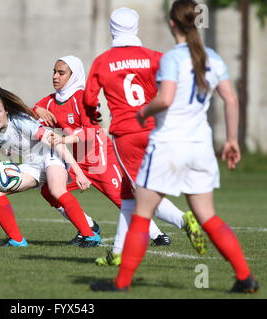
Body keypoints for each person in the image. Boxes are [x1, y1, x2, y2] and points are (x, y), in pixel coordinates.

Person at [91, 0, 259, 293]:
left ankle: (121, 283)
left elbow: (165, 99)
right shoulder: (213, 58)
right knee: (208, 216)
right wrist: (232, 139)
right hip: (200, 147)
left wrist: (143, 113)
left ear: (172, 24)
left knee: (141, 213)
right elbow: (231, 99)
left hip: (168, 145)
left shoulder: (171, 58)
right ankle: (245, 278)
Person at [82, 7, 206, 266]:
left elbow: (88, 99)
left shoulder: (103, 61)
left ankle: (185, 219)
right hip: (155, 130)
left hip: (126, 134)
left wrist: (94, 116)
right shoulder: (154, 57)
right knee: (128, 194)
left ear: (112, 29)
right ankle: (117, 253)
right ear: (136, 28)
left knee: (141, 193)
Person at [33, 55, 185, 248]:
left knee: (123, 199)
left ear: (74, 76)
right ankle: (88, 226)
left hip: (100, 158)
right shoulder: (49, 102)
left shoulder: (83, 97)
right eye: (54, 72)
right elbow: (29, 118)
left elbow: (90, 131)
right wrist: (34, 111)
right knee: (49, 191)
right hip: (77, 160)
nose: (55, 76)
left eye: (61, 73)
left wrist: (63, 139)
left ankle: (157, 235)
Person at [0, 83, 101, 247]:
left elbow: (55, 142)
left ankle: (90, 235)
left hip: (51, 156)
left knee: (55, 190)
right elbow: (1, 146)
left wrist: (78, 171)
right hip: (31, 165)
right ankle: (16, 240)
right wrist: (7, 160)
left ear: (6, 110)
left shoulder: (21, 122)